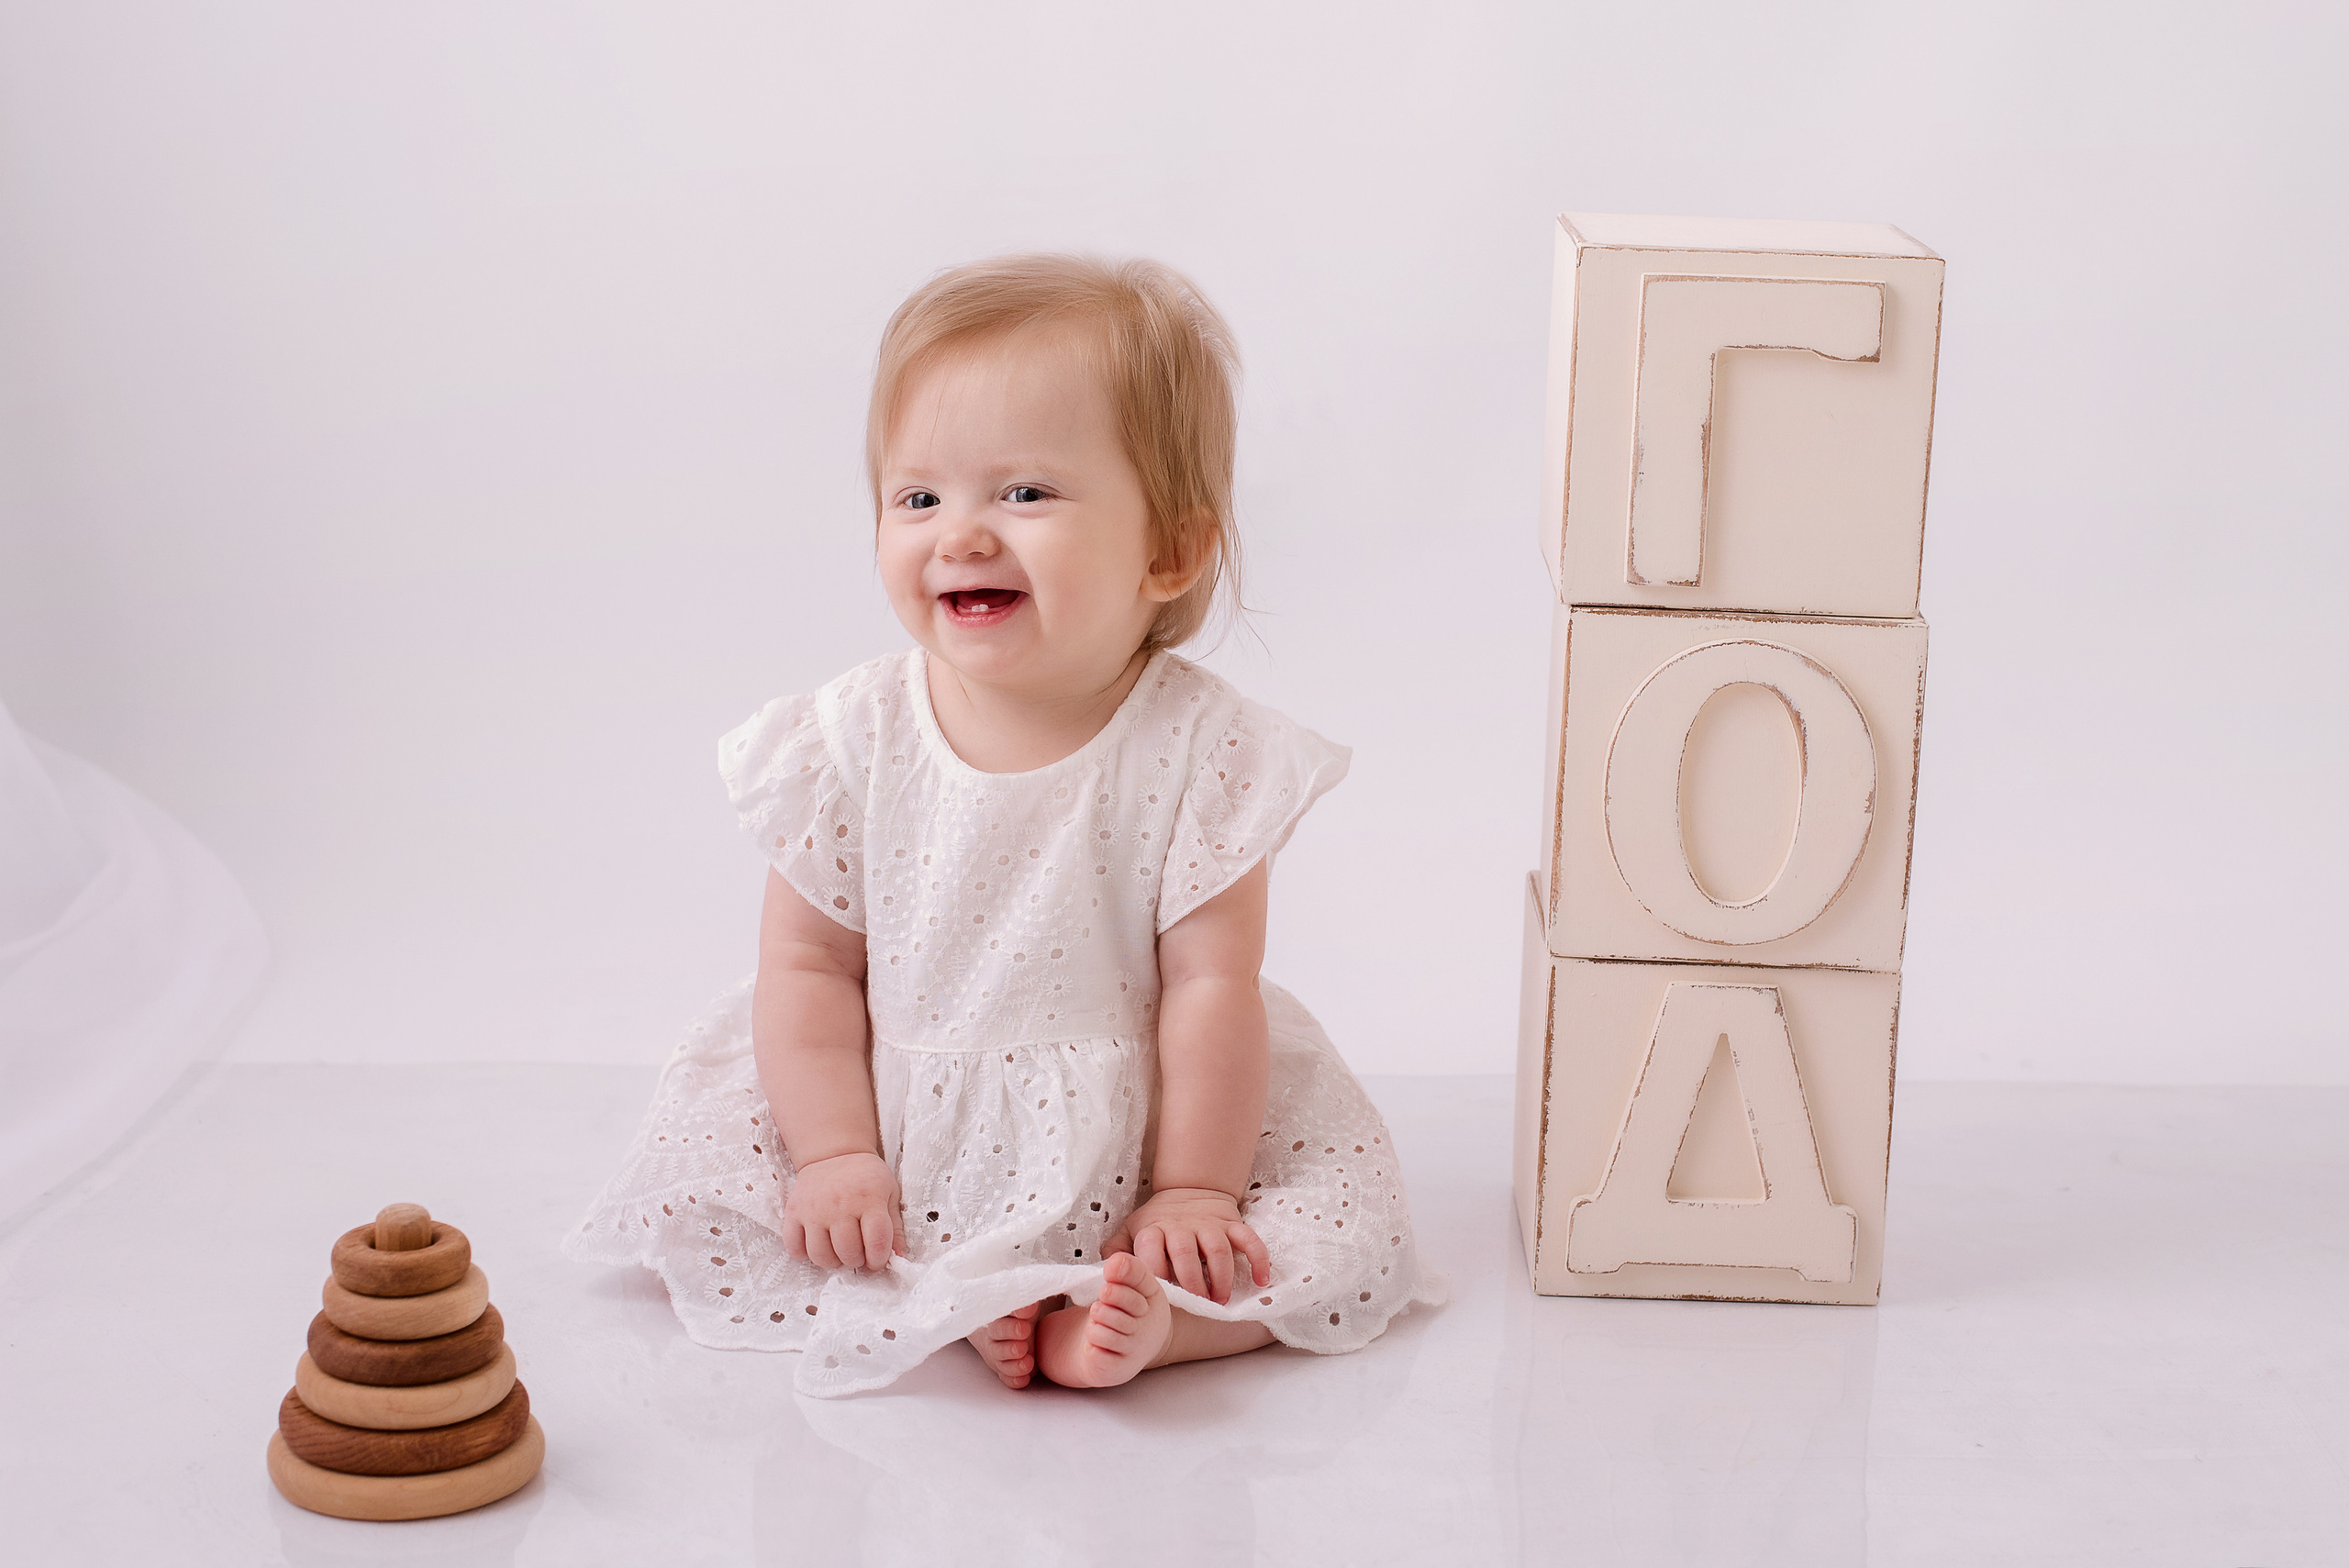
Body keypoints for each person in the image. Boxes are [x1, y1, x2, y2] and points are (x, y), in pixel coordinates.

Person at [566, 254, 1442, 1396]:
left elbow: (1210, 991)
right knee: (753, 1193)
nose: (962, 533)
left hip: (1138, 1132)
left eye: (1024, 492)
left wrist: (1191, 1190)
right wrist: (835, 1153)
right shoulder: (847, 741)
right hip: (898, 1122)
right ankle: (956, 1289)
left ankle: (1168, 1322)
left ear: (1167, 551)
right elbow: (808, 966)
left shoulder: (1202, 754)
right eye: (917, 496)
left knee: (1336, 1233)